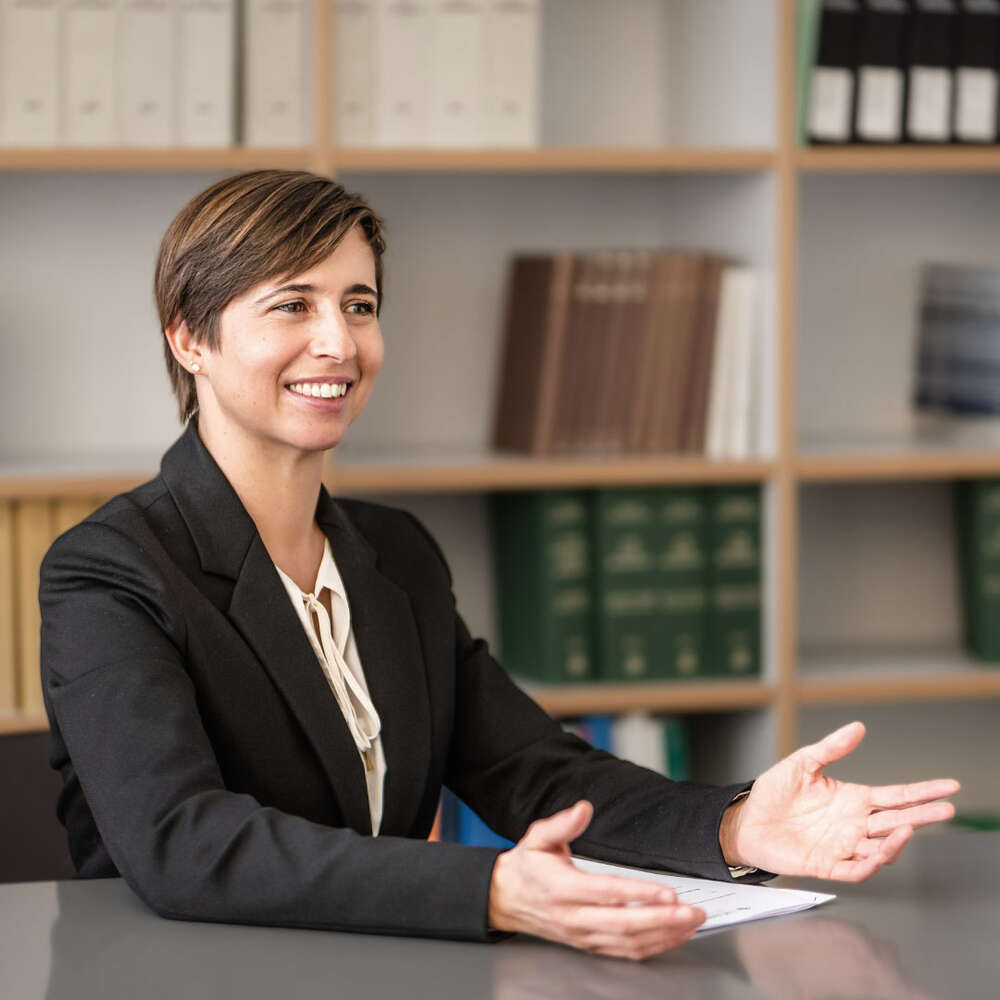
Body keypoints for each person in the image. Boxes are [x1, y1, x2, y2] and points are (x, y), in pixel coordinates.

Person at [39, 170, 960, 962]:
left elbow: (537, 772)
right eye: (291, 304)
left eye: (359, 305)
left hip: (377, 967)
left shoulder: (393, 552)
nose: (338, 343)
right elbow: (181, 841)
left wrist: (734, 825)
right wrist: (487, 891)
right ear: (189, 338)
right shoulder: (110, 572)